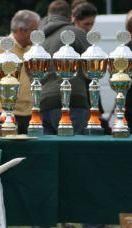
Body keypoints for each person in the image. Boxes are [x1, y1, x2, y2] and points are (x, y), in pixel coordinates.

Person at [0, 10, 40, 135]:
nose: (37, 34)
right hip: (0, 113)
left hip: (30, 114)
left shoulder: (34, 51)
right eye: (35, 30)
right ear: (22, 30)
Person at [39, 0, 90, 135]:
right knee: (72, 145)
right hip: (73, 101)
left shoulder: (39, 39)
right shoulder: (75, 33)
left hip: (43, 101)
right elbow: (93, 67)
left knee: (49, 146)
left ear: (49, 15)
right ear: (70, 15)